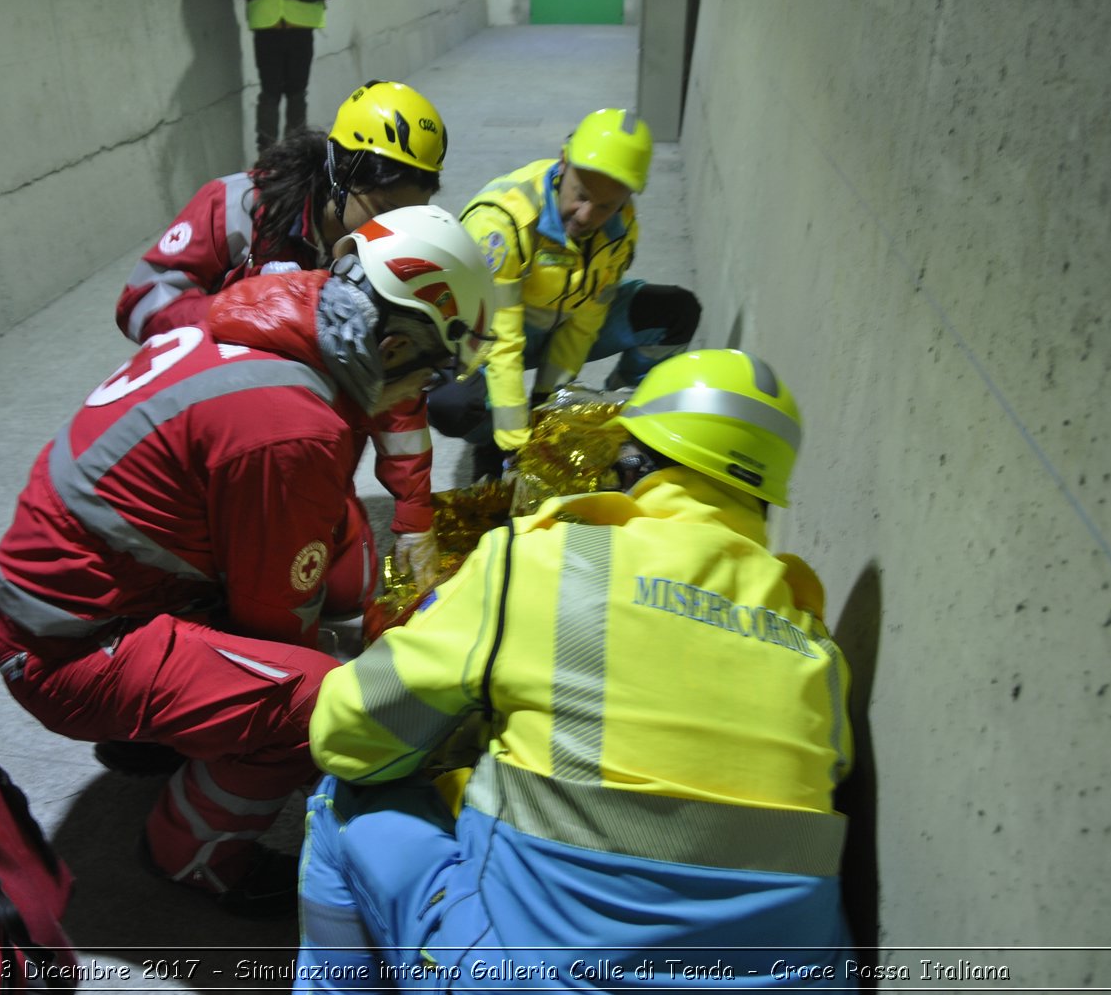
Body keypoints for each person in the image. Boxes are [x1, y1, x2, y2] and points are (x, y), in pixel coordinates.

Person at [0, 206, 493, 917]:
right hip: (64, 649)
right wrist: (377, 715)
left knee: (342, 536)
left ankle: (168, 726)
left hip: (78, 594)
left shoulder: (273, 315)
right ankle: (194, 854)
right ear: (393, 338)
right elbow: (276, 625)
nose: (420, 394)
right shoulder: (291, 426)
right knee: (318, 698)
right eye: (430, 369)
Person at [297, 349, 856, 990]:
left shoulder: (544, 561)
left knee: (343, 800)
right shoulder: (817, 648)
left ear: (633, 461)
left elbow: (345, 735)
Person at [116, 79, 451, 587]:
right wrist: (253, 317)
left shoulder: (391, 255)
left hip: (307, 455)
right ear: (338, 173)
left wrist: (413, 519)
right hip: (220, 440)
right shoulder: (241, 206)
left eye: (409, 216)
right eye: (382, 210)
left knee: (347, 588)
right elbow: (141, 303)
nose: (391, 232)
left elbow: (399, 389)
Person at [428, 107, 703, 480]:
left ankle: (617, 420)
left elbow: (587, 320)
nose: (587, 216)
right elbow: (502, 340)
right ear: (563, 162)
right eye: (581, 195)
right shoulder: (500, 223)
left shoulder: (621, 226)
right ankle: (490, 441)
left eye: (606, 205)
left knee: (675, 311)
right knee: (450, 403)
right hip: (485, 334)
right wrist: (515, 440)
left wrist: (549, 405)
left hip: (562, 321)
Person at [224, 0, 346, 156]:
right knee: (270, 93)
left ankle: (295, 154)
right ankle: (266, 156)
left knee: (297, 92)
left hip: (300, 29)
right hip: (267, 30)